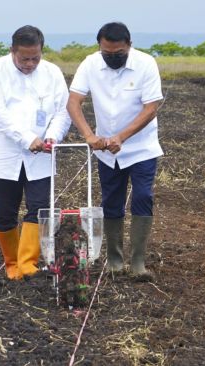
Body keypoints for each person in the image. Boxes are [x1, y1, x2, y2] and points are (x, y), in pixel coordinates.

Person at [67, 22, 163, 280]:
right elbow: (74, 101)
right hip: (106, 151)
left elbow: (151, 107)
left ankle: (139, 262)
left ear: (129, 46)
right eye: (107, 53)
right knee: (111, 201)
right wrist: (89, 135)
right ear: (99, 47)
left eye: (118, 53)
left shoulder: (145, 64)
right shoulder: (90, 64)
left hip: (141, 147)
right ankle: (114, 260)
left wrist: (122, 136)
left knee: (142, 196)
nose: (112, 58)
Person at [0, 25, 71, 280]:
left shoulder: (52, 73)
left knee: (40, 207)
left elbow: (63, 111)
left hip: (41, 155)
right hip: (3, 154)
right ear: (12, 51)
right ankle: (12, 264)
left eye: (36, 57)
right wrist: (27, 139)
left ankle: (28, 263)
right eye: (24, 58)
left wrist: (53, 136)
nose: (30, 63)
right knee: (4, 213)